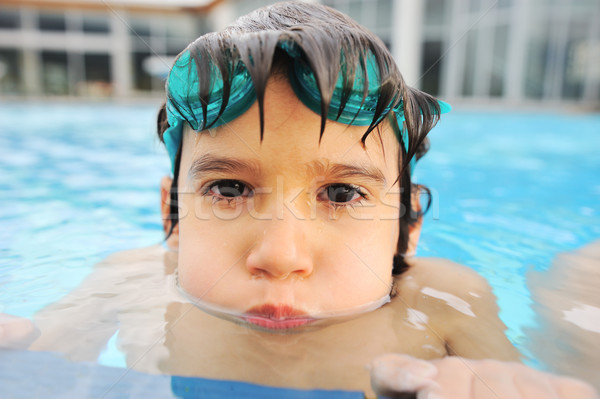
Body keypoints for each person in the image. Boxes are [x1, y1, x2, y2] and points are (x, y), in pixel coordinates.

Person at [4, 2, 597, 398]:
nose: (281, 255)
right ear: (172, 214)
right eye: (229, 189)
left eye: (341, 193)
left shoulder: (446, 299)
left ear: (408, 224)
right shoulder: (129, 281)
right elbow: (44, 346)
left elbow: (511, 382)